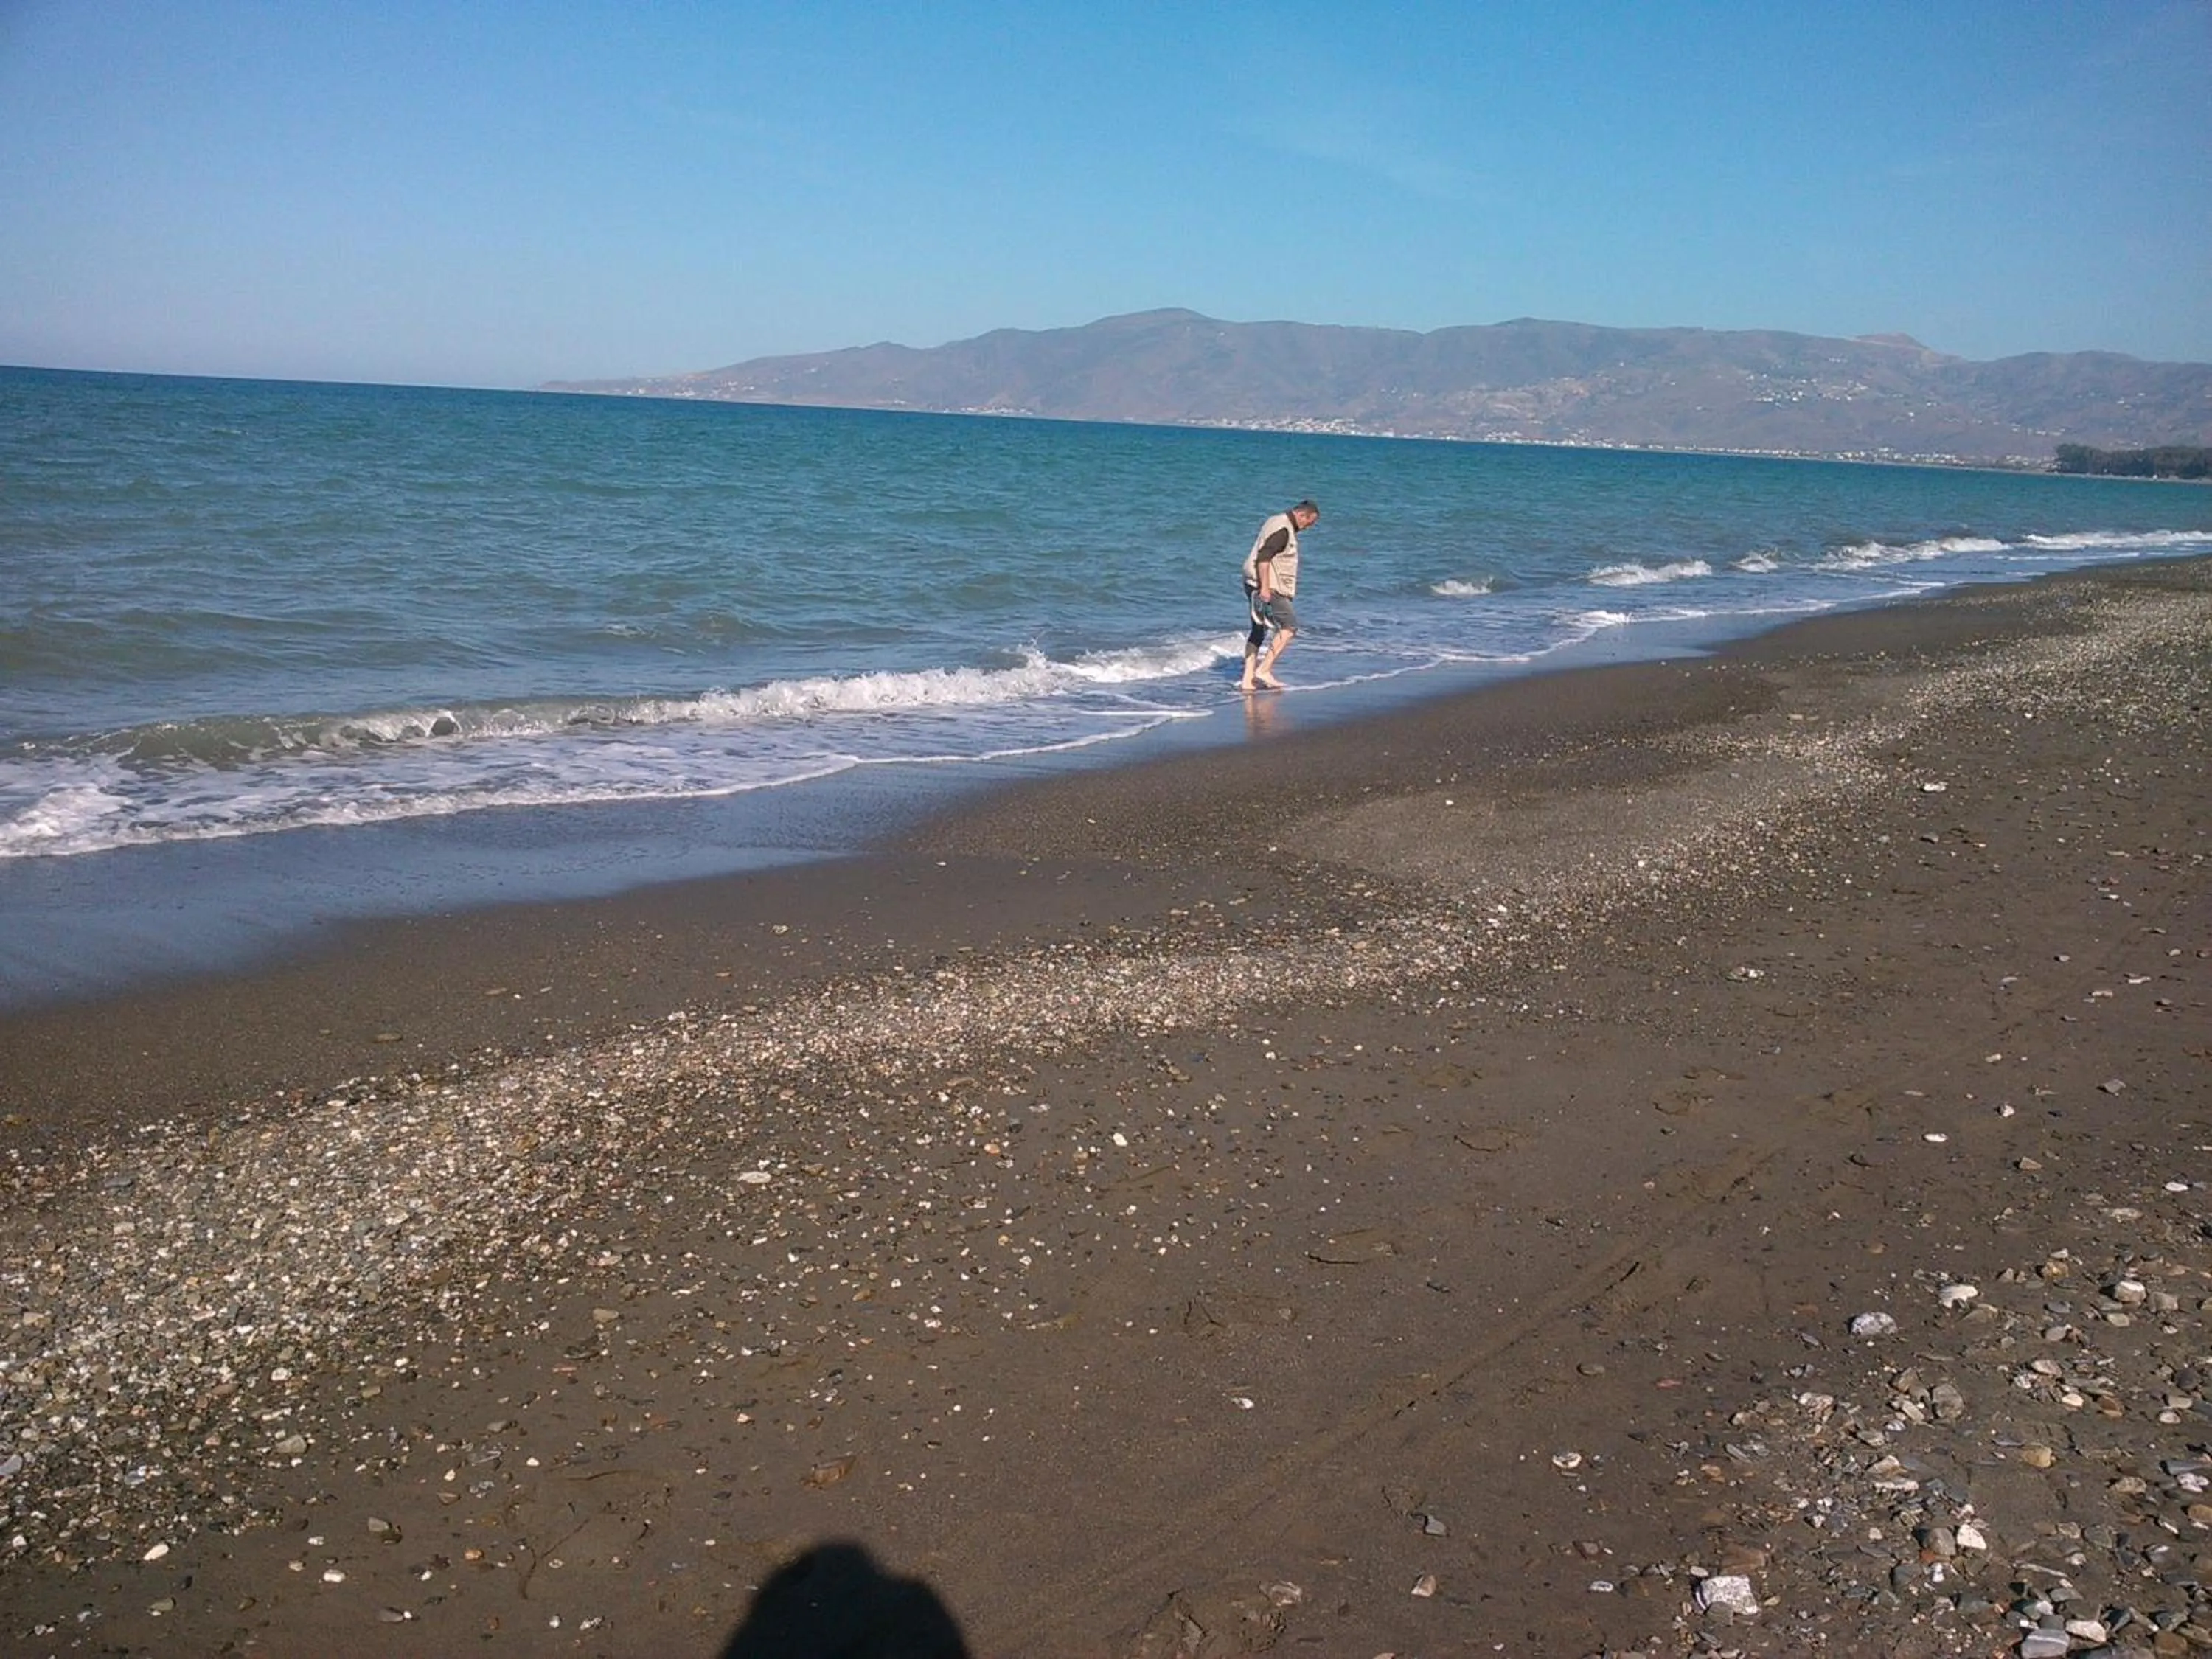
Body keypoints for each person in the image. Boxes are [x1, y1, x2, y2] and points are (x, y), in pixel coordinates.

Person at [1239, 499, 1318, 692]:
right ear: (1301, 515)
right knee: (1289, 627)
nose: (1308, 527)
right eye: (1309, 522)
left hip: (1251, 582)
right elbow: (1264, 559)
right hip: (1269, 586)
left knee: (1258, 630)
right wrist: (1266, 588)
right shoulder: (1283, 530)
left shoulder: (1274, 520)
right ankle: (1264, 670)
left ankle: (1247, 680)